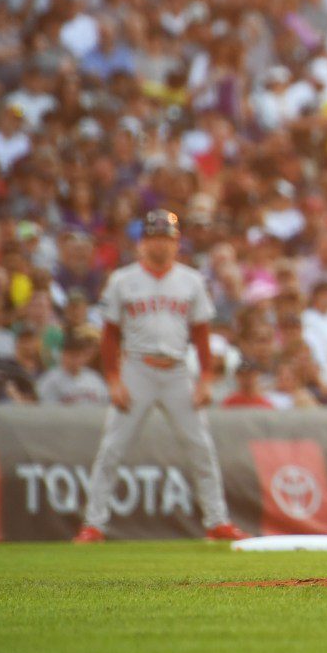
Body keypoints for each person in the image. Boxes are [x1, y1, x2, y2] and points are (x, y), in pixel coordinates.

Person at [73, 211, 247, 543]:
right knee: (112, 448)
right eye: (155, 237)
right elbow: (109, 335)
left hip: (178, 370)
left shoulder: (191, 280)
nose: (162, 244)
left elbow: (201, 334)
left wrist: (206, 378)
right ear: (144, 241)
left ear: (176, 242)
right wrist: (113, 378)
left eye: (167, 238)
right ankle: (93, 524)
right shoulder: (123, 280)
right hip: (137, 367)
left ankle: (217, 521)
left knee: (201, 448)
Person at [35, 337, 109, 406]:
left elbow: (105, 403)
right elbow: (43, 407)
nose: (75, 359)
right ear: (63, 355)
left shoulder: (94, 378)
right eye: (71, 355)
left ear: (84, 357)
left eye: (78, 355)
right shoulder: (50, 379)